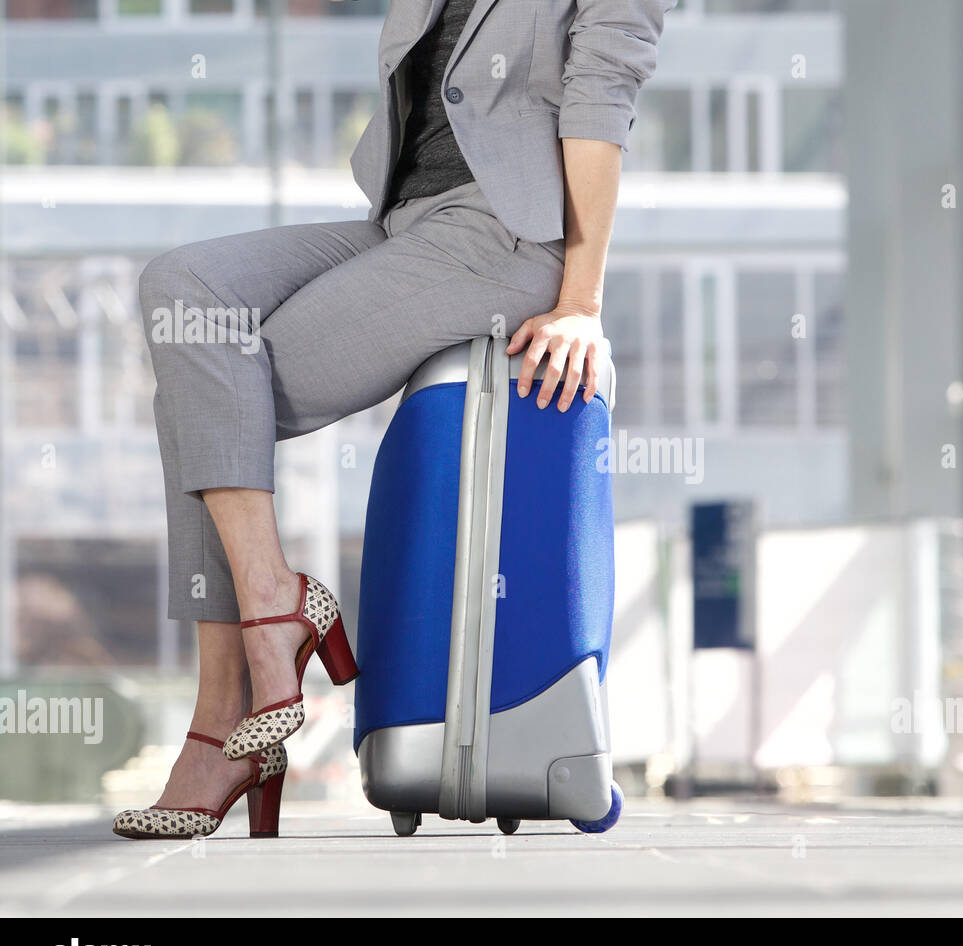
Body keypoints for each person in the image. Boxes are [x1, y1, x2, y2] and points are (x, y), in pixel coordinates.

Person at [113, 0, 674, 840]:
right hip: (403, 225)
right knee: (185, 292)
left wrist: (581, 301)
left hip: (504, 243)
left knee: (206, 392)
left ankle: (225, 712)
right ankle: (273, 611)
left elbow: (603, 98)